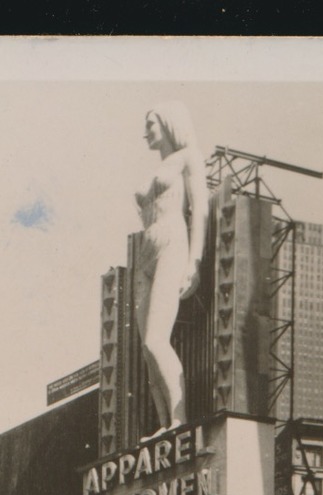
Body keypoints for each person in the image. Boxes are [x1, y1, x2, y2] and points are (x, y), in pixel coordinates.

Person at [132, 101, 208, 438]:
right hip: (144, 254)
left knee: (155, 339)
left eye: (151, 123)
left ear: (168, 123)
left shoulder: (188, 157)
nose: (146, 131)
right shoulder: (155, 168)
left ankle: (180, 418)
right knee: (146, 352)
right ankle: (164, 425)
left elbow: (200, 209)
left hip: (171, 244)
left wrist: (194, 260)